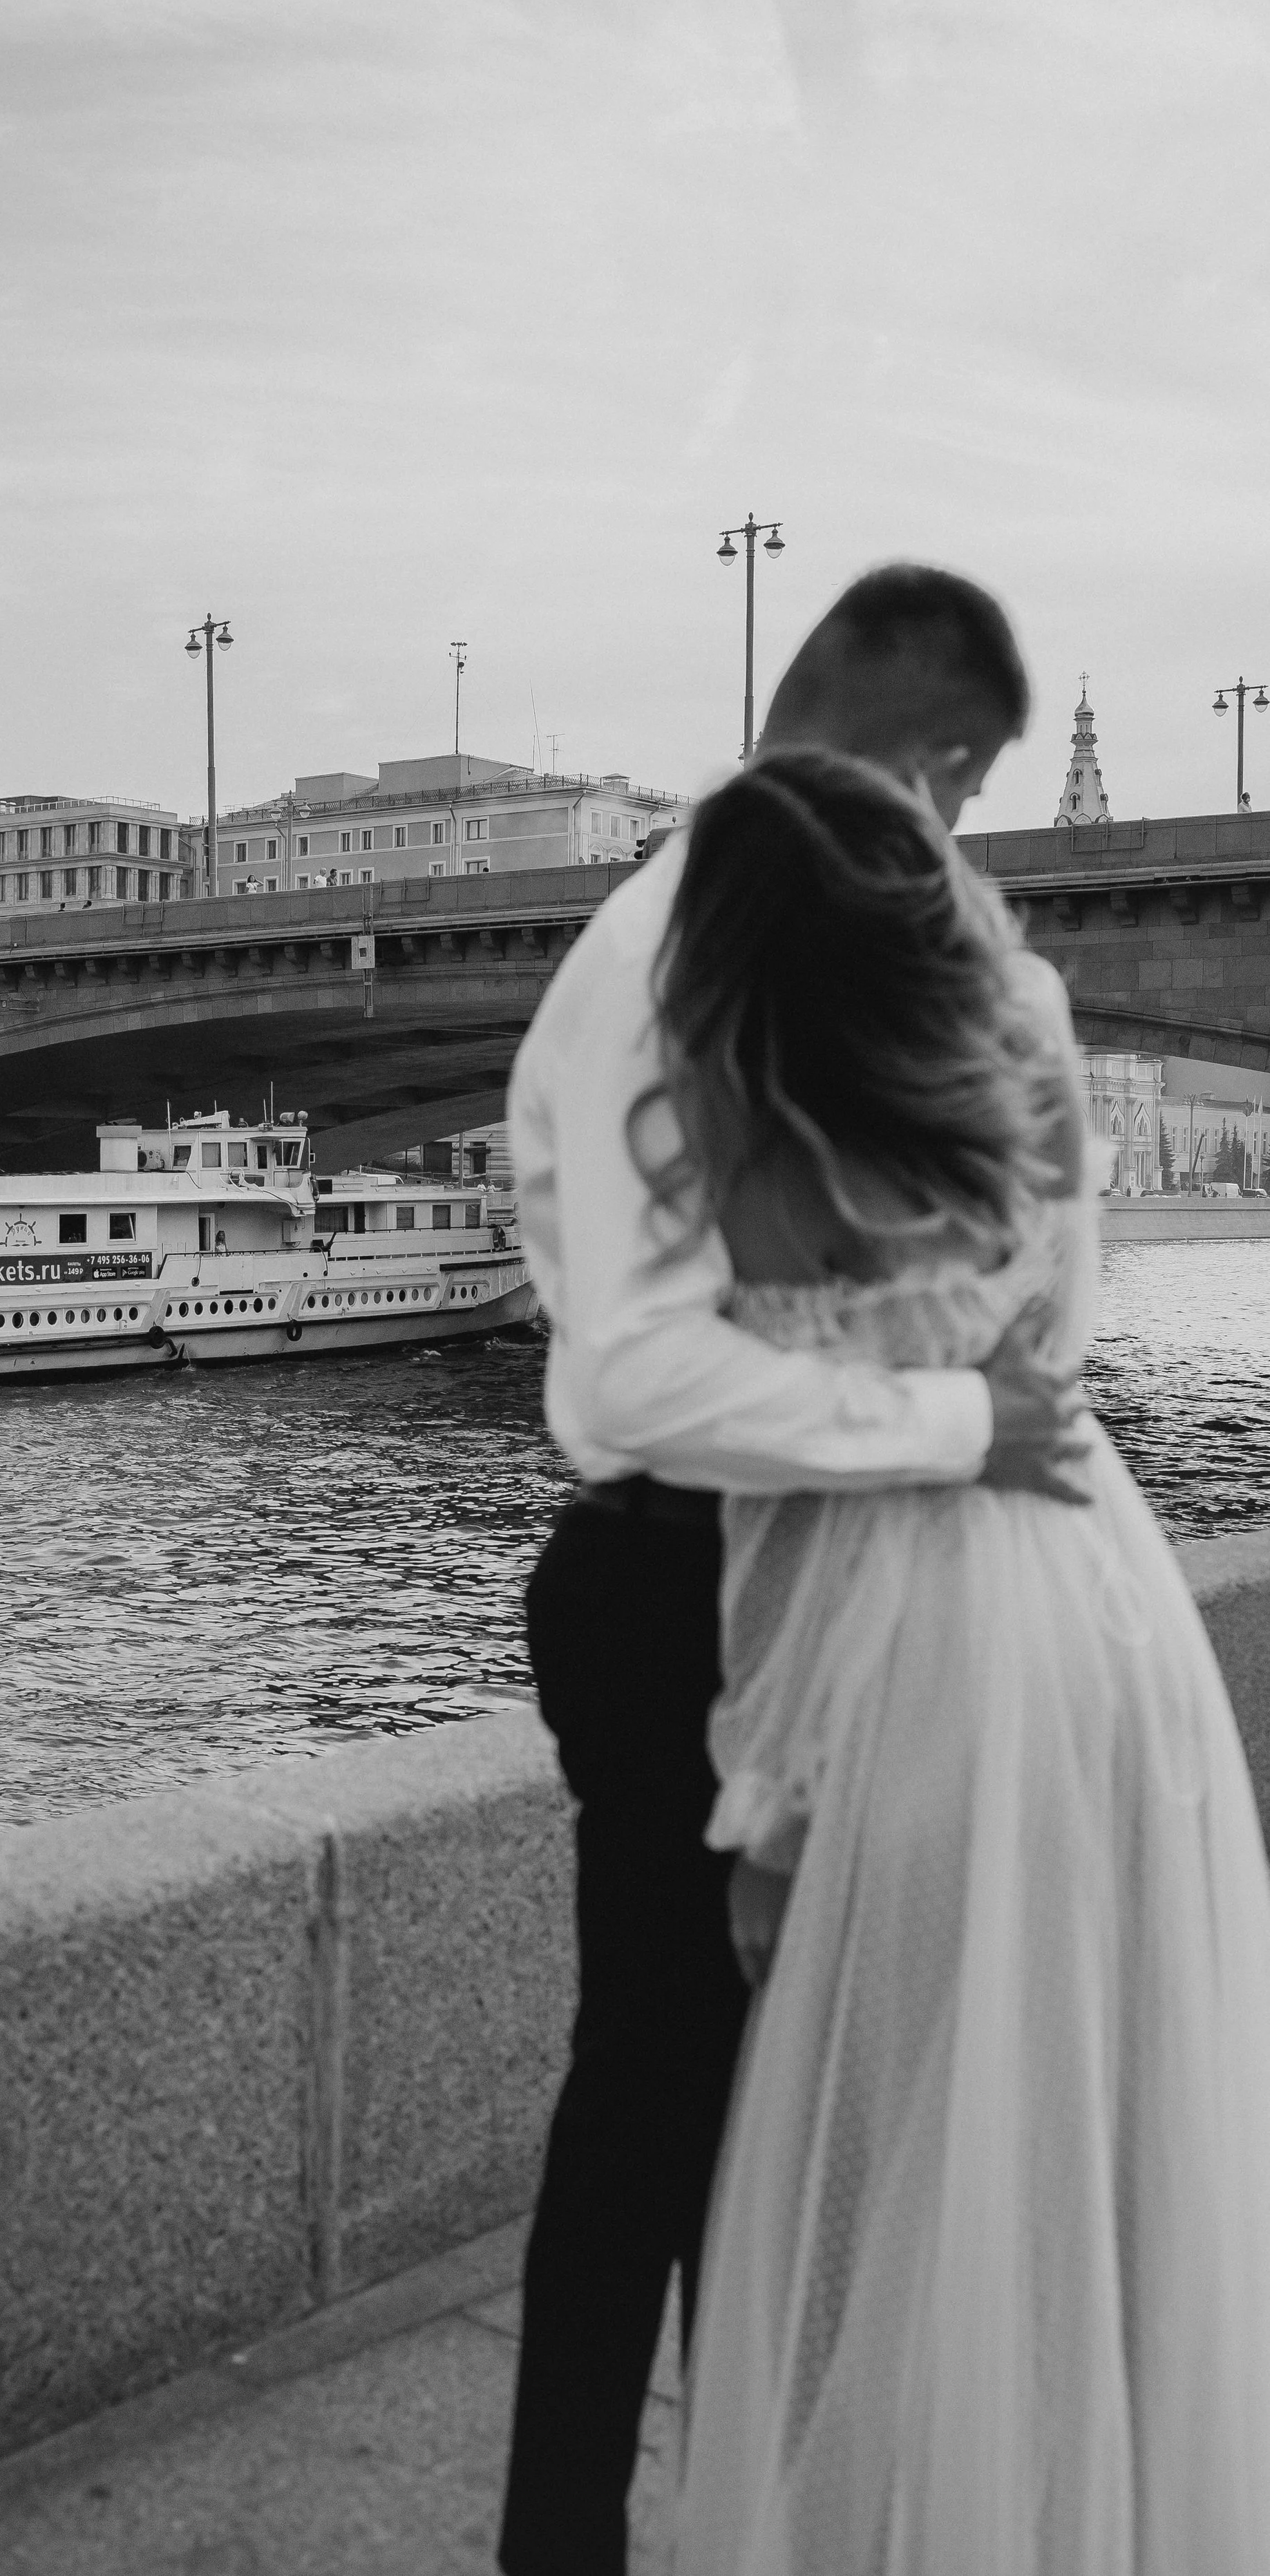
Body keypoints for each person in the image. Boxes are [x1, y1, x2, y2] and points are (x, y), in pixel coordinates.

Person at [498, 566, 1085, 2576]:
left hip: (744, 1576)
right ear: (921, 760)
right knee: (677, 2109)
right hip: (685, 1581)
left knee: (725, 2118)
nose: (960, 845)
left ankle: (697, 2512)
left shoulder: (726, 927)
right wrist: (955, 1426)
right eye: (968, 793)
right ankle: (589, 2538)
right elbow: (643, 1372)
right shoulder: (690, 943)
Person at [663, 749, 1270, 2573]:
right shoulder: (1027, 1046)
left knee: (889, 2166)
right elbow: (1062, 1326)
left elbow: (778, 1498)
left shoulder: (772, 1114)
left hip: (921, 1628)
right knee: (1095, 2125)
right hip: (1104, 1592)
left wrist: (763, 1810)